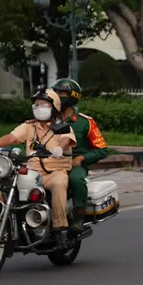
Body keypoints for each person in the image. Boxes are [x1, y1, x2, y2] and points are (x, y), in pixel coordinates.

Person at [0, 89, 78, 244]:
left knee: (59, 185)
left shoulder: (63, 126)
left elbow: (66, 140)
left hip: (55, 171)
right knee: (4, 186)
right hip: (32, 171)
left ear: (54, 107)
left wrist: (59, 148)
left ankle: (60, 228)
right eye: (36, 105)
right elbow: (12, 137)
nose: (39, 108)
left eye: (43, 104)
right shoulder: (29, 126)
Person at [51, 78, 109, 227]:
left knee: (77, 180)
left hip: (73, 164)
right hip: (47, 163)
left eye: (61, 93)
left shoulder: (85, 122)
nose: (57, 96)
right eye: (55, 92)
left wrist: (82, 158)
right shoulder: (47, 120)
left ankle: (78, 216)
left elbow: (102, 150)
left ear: (72, 96)